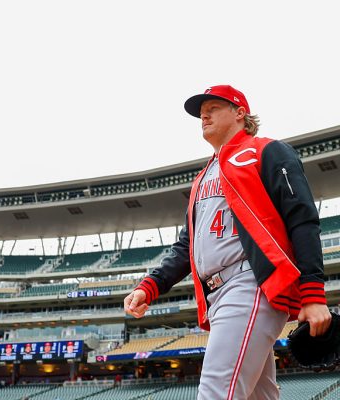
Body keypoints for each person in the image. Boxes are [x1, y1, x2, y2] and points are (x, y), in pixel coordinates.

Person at [124, 85, 332, 400]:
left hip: (249, 283)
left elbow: (302, 218)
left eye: (214, 107)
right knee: (256, 396)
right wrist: (150, 285)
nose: (203, 114)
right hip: (217, 295)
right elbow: (187, 245)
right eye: (201, 111)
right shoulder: (204, 176)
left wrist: (313, 293)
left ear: (240, 113)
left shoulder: (266, 150)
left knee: (217, 392)